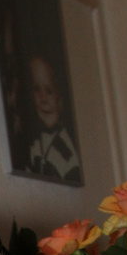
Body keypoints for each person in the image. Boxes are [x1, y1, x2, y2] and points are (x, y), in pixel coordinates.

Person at [27, 55, 82, 184]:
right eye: (37, 89)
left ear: (60, 100)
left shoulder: (66, 152)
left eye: (49, 91)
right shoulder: (34, 143)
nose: (43, 99)